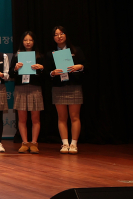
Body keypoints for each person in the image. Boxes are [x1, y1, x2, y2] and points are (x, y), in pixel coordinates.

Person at [50, 25, 86, 154]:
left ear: (66, 35)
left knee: (75, 116)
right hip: (58, 87)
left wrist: (79, 66)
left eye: (61, 34)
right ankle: (65, 144)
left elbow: (85, 65)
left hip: (74, 86)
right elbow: (47, 71)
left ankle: (74, 144)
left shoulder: (76, 50)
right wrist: (52, 73)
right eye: (56, 34)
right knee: (62, 117)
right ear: (53, 38)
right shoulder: (51, 53)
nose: (59, 36)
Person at [10, 31, 45, 154]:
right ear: (22, 42)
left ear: (34, 42)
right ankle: (24, 143)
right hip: (21, 88)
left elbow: (46, 75)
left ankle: (34, 143)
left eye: (30, 40)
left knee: (35, 118)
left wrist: (41, 68)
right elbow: (10, 74)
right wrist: (15, 68)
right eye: (25, 40)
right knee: (22, 118)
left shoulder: (39, 56)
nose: (28, 42)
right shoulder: (16, 56)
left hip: (35, 88)